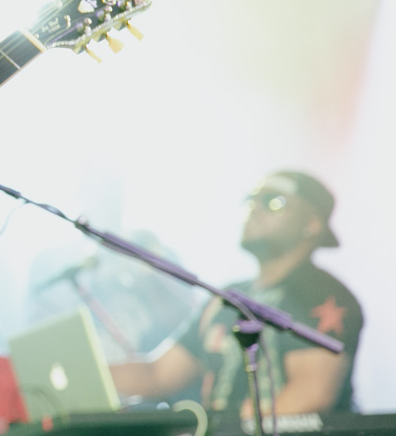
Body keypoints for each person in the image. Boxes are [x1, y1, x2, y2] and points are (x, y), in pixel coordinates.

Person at [111, 170, 361, 417]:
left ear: (312, 224)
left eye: (273, 202)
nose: (255, 209)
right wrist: (89, 374)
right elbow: (158, 374)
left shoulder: (324, 296)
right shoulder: (228, 298)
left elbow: (312, 394)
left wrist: (225, 430)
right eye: (251, 201)